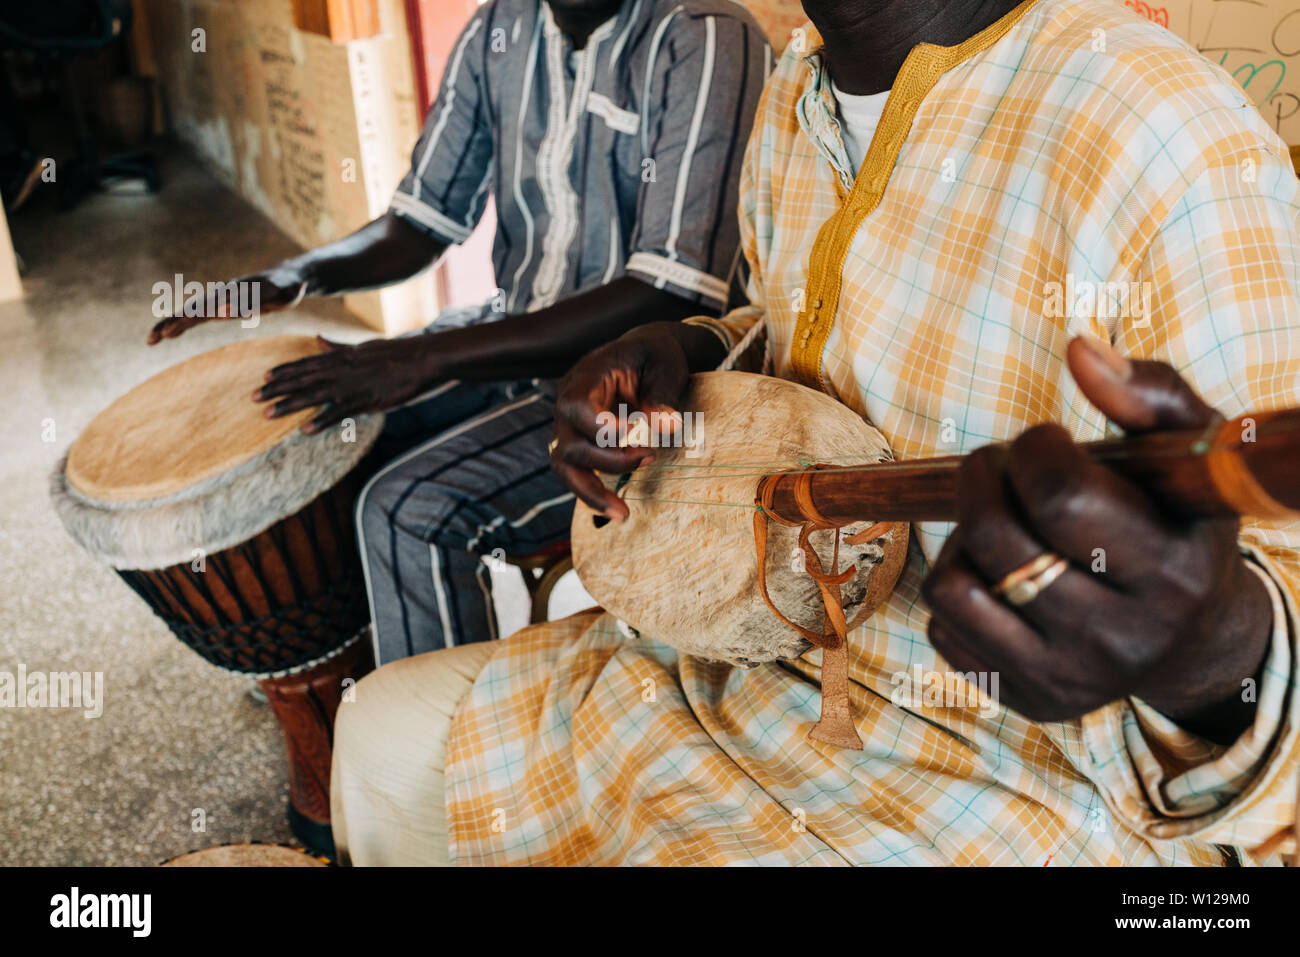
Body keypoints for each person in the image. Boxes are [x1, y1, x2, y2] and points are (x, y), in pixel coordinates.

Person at [330, 0, 1300, 866]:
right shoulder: (795, 89)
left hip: (1010, 780)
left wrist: (1211, 654)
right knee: (375, 728)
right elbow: (796, 327)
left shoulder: (1167, 137)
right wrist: (688, 343)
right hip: (748, 667)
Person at [146, 0, 771, 664]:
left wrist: (423, 355)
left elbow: (667, 291)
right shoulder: (500, 28)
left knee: (404, 510)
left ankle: (447, 751)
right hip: (507, 326)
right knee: (324, 438)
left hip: (641, 389)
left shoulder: (705, 38)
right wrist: (297, 274)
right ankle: (353, 682)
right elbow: (421, 220)